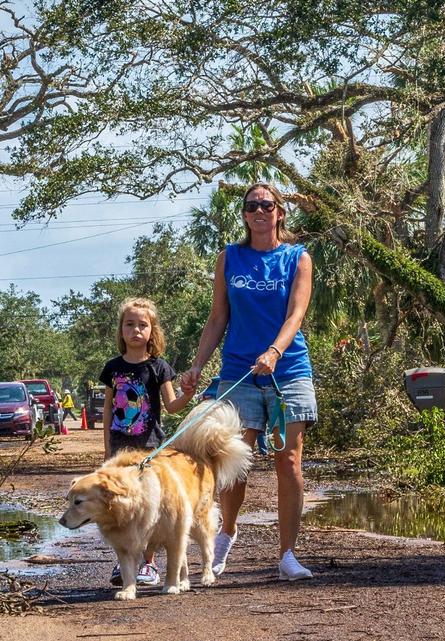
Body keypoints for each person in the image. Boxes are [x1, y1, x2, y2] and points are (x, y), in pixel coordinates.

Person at [180, 182, 317, 582]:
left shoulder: (297, 258)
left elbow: (296, 315)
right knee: (235, 460)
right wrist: (197, 366)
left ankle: (288, 554)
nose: (260, 211)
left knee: (288, 461)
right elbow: (218, 317)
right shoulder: (230, 258)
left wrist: (274, 351)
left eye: (267, 205)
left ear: (280, 213)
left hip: (288, 370)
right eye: (252, 206)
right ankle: (227, 532)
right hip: (239, 370)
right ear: (244, 214)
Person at [99, 297, 196, 587]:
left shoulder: (159, 367)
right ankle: (125, 561)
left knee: (148, 507)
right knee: (121, 505)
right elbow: (106, 409)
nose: (136, 330)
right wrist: (106, 448)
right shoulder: (112, 368)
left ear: (153, 331)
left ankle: (150, 563)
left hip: (150, 448)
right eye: (130, 324)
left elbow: (172, 405)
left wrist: (188, 394)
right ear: (121, 330)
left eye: (143, 325)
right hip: (119, 450)